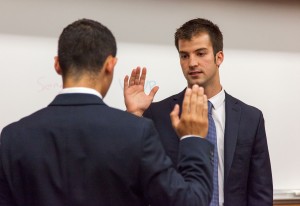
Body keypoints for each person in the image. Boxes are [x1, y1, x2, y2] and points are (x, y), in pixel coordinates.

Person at [0, 19, 215, 206]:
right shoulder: (136, 133)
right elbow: (189, 201)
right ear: (110, 65)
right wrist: (193, 137)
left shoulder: (12, 137)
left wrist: (133, 117)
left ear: (57, 65)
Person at [124, 18, 273, 206]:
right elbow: (134, 175)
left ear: (219, 57)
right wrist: (134, 116)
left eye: (200, 53)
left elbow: (260, 190)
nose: (192, 63)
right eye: (184, 56)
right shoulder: (158, 113)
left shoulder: (251, 118)